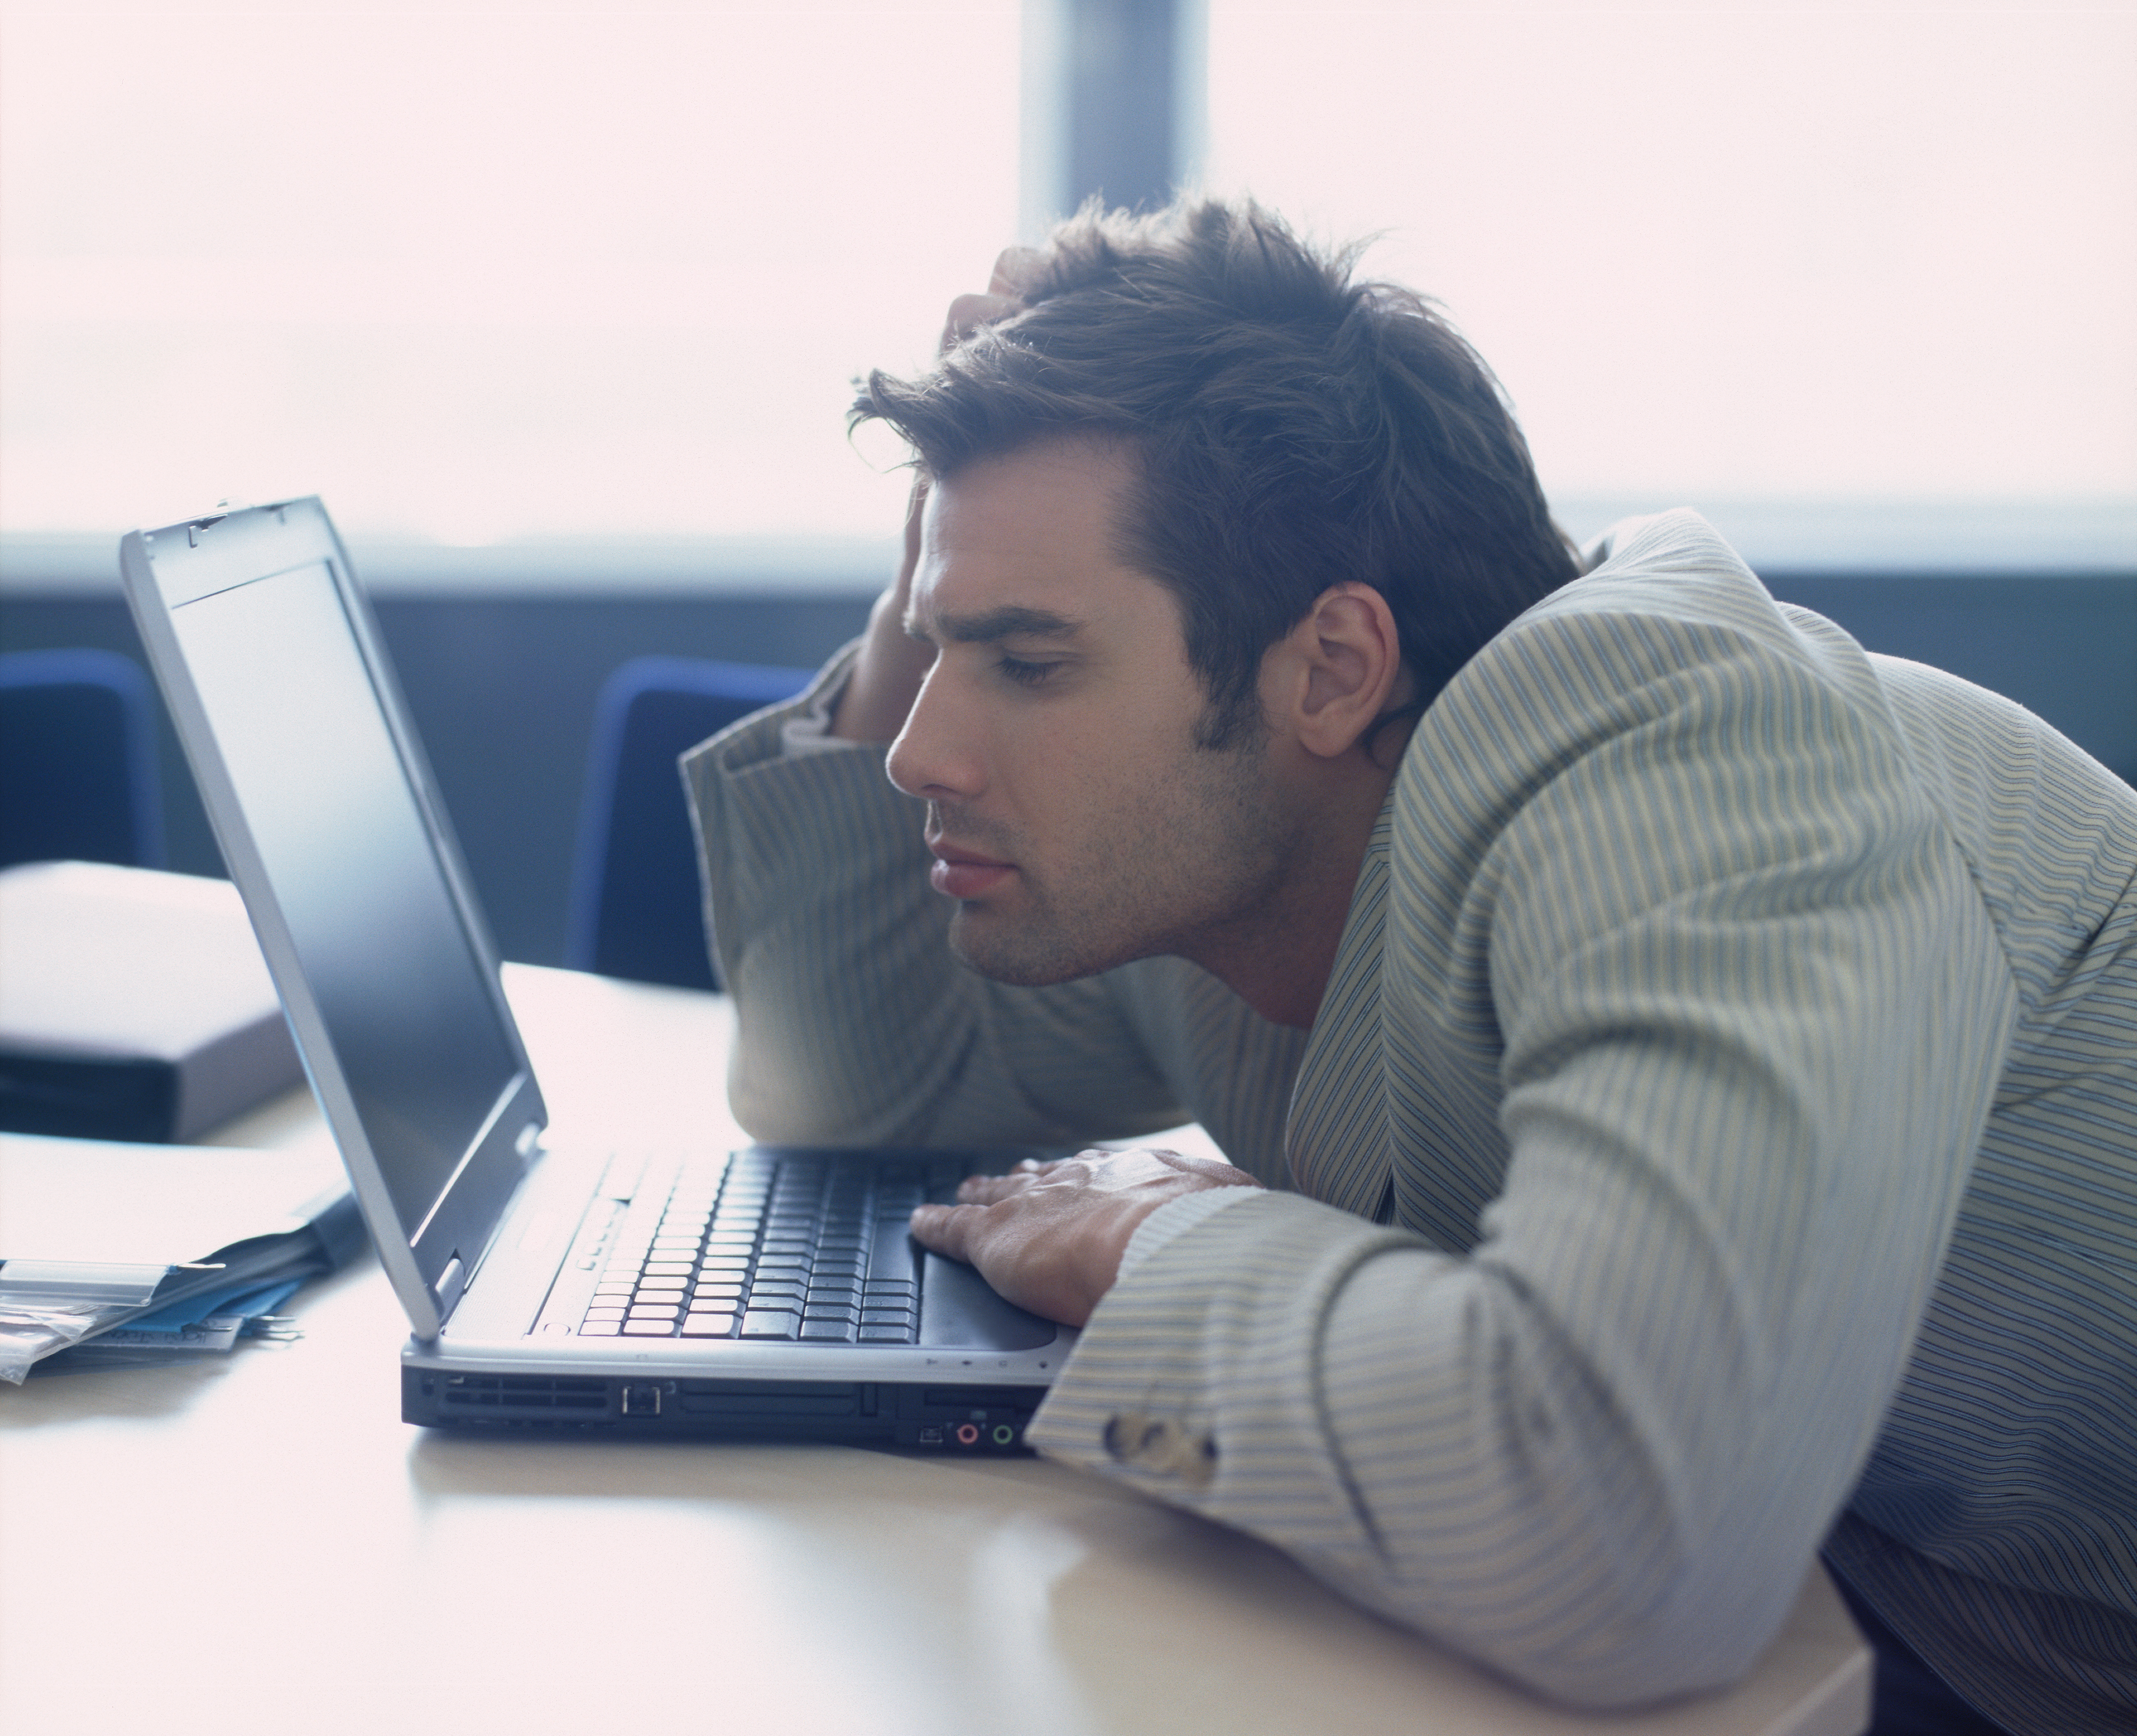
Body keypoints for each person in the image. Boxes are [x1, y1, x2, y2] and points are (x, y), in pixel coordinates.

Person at [683, 198, 2137, 1735]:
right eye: (944, 640)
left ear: (1331, 669)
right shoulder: (1228, 848)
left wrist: (1153, 1250)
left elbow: (1631, 1536)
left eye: (1029, 662)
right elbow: (863, 1091)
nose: (919, 751)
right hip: (1908, 1637)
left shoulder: (1677, 741)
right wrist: (938, 564)